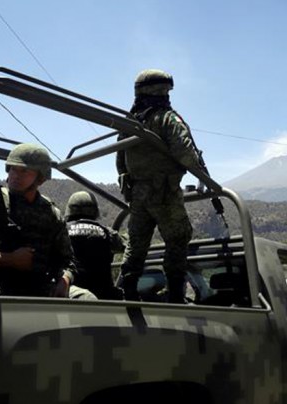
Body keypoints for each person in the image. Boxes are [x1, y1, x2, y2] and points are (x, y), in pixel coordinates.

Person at [0, 144, 95, 299]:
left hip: (36, 284)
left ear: (40, 177)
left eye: (24, 171)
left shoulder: (51, 213)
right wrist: (9, 259)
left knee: (86, 298)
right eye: (12, 169)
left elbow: (68, 260)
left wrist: (64, 279)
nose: (15, 175)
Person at [115, 69, 201, 303]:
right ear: (162, 90)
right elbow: (186, 154)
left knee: (136, 243)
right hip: (164, 193)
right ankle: (175, 295)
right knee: (178, 238)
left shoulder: (129, 122)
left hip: (138, 194)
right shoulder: (166, 118)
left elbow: (120, 161)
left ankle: (128, 293)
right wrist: (199, 169)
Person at [64, 191, 126, 300]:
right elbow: (126, 245)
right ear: (94, 211)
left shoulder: (62, 231)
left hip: (73, 296)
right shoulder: (107, 233)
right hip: (104, 298)